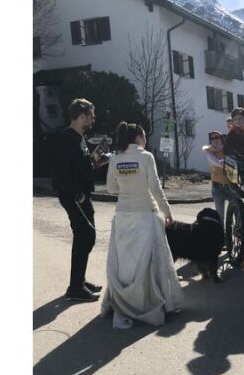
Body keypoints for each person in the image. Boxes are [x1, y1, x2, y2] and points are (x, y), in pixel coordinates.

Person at [100, 122, 184, 329]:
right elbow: (155, 187)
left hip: (122, 215)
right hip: (146, 215)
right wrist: (168, 212)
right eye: (144, 136)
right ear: (137, 137)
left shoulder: (116, 158)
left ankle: (122, 302)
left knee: (125, 263)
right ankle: (154, 303)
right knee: (149, 263)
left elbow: (111, 188)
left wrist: (126, 185)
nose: (145, 139)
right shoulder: (146, 157)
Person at [51, 98, 102, 302]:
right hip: (73, 196)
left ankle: (78, 281)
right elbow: (61, 173)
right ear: (81, 116)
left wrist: (96, 162)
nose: (93, 118)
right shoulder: (66, 138)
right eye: (90, 115)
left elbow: (80, 166)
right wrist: (77, 194)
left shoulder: (79, 137)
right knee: (85, 234)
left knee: (86, 236)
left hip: (81, 194)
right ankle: (75, 287)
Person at [203, 130, 238, 221]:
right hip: (217, 188)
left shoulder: (228, 150)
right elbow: (217, 163)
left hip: (231, 186)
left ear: (221, 139)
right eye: (212, 138)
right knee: (220, 216)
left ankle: (239, 232)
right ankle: (221, 234)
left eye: (217, 137)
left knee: (238, 212)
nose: (214, 140)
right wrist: (228, 161)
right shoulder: (209, 152)